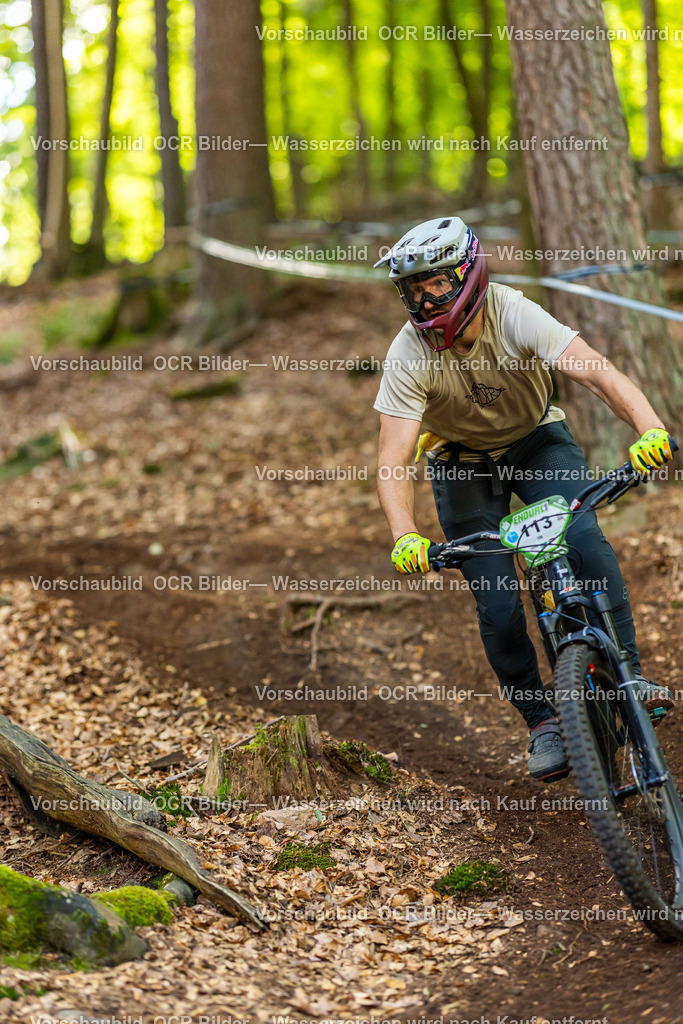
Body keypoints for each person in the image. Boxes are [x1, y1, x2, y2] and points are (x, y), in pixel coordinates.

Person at [373, 216, 675, 781]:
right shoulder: (408, 353)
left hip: (536, 441)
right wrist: (404, 535)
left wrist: (650, 429)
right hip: (461, 464)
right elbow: (394, 459)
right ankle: (543, 722)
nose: (423, 298)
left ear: (467, 273)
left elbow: (600, 375)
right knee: (497, 604)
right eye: (411, 289)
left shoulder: (514, 312)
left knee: (582, 540)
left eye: (434, 283)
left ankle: (629, 673)